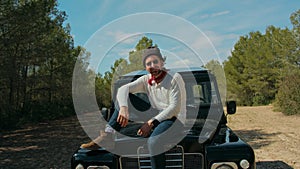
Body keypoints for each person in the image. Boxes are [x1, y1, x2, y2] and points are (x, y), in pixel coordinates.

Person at [80, 46, 186, 169]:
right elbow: (123, 89)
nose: (152, 66)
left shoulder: (174, 78)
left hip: (175, 119)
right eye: (148, 64)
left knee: (154, 142)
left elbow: (174, 108)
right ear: (145, 67)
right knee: (124, 97)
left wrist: (150, 123)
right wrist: (124, 108)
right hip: (156, 113)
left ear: (162, 62)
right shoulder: (146, 79)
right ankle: (108, 135)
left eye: (155, 62)